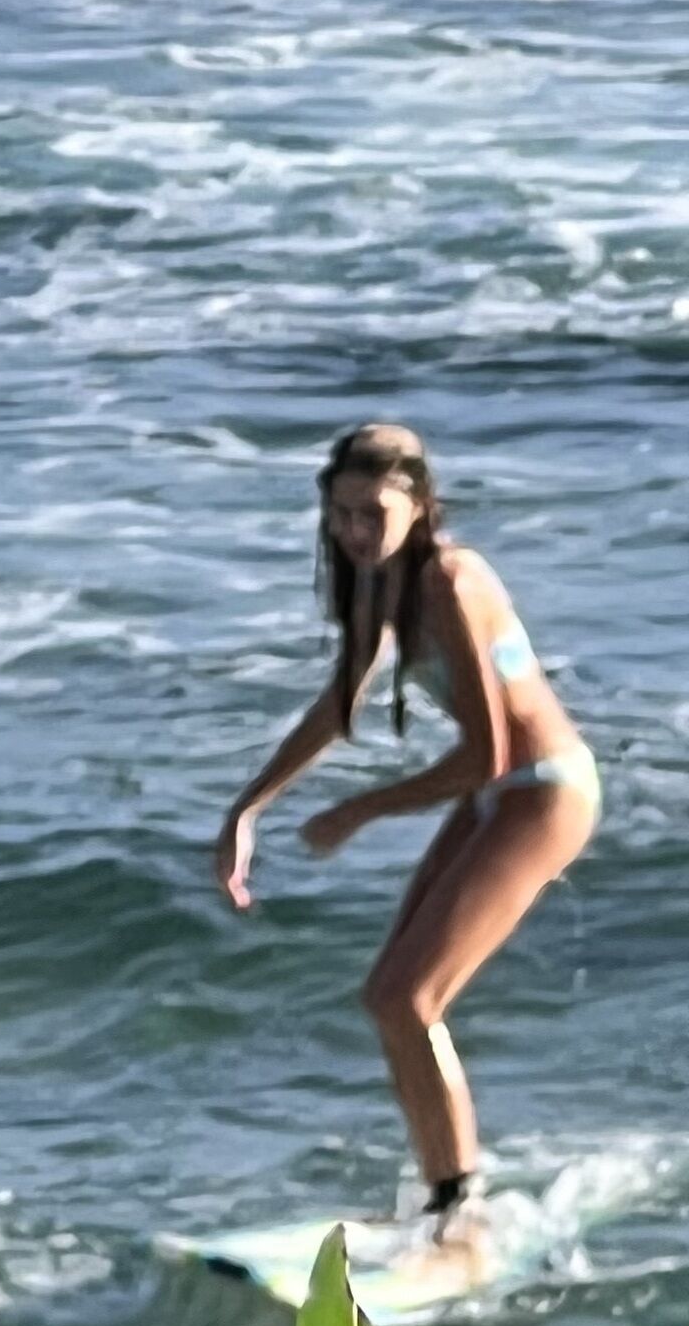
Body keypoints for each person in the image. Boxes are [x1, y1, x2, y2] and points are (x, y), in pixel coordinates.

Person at [214, 420, 597, 1228]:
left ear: (418, 505)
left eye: (372, 515)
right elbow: (339, 704)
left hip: (545, 791)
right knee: (389, 998)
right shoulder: (381, 583)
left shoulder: (451, 581)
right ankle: (446, 1197)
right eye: (340, 515)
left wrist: (361, 808)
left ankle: (459, 1204)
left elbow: (488, 754)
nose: (354, 533)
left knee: (409, 998)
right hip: (500, 794)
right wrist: (250, 806)